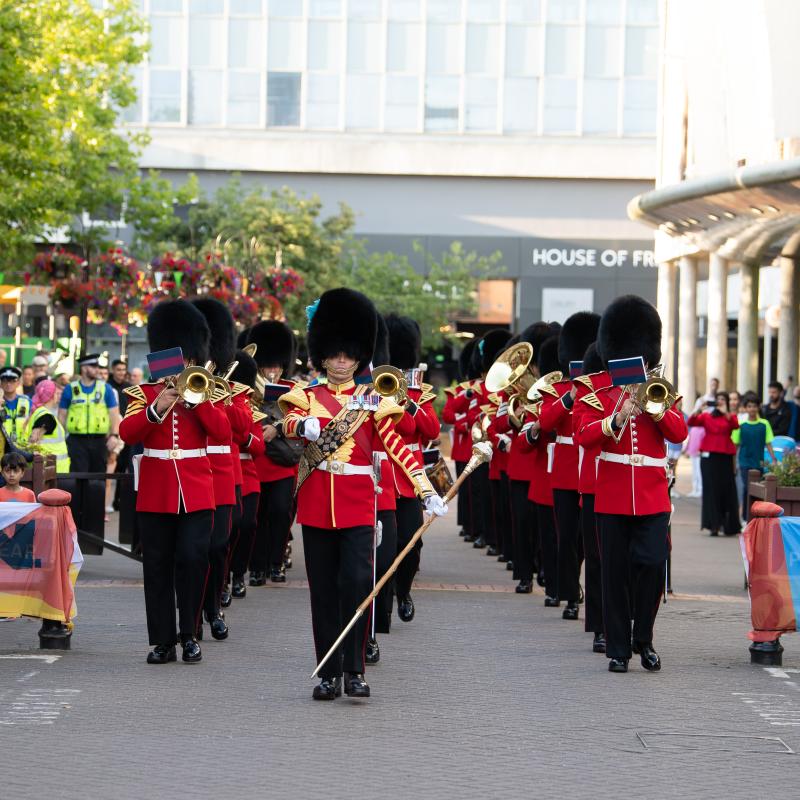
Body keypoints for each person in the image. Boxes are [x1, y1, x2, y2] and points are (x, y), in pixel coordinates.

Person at [280, 288, 447, 701]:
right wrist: (302, 428)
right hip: (318, 506)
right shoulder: (305, 397)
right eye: (335, 354)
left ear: (358, 356)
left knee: (358, 585)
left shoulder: (373, 401)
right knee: (323, 591)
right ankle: (327, 671)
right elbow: (287, 424)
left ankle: (354, 670)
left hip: (358, 505)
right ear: (322, 354)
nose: (341, 361)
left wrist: (425, 490)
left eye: (348, 354)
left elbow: (396, 446)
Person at [576, 295, 688, 674]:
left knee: (653, 564)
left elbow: (679, 431)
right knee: (615, 573)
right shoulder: (596, 391)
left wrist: (655, 408)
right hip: (611, 494)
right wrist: (618, 416)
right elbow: (584, 436)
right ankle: (620, 649)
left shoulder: (659, 388)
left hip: (653, 494)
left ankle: (645, 637)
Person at [119, 299, 229, 665]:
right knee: (158, 566)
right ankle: (163, 640)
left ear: (193, 360)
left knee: (194, 559)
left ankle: (190, 633)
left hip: (197, 492)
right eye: (174, 359)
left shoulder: (206, 394)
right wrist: (159, 405)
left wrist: (197, 403)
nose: (180, 368)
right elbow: (128, 430)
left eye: (186, 360)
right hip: (156, 492)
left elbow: (223, 433)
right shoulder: (144, 395)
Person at [538, 311, 600, 622]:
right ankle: (570, 594)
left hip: (591, 470)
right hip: (564, 472)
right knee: (565, 538)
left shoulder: (601, 390)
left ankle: (585, 593)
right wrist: (570, 396)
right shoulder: (559, 390)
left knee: (585, 540)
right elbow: (545, 421)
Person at [384, 314, 442, 623]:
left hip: (410, 477)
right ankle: (384, 597)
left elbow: (431, 430)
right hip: (382, 475)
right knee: (384, 542)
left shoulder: (419, 393)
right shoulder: (375, 391)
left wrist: (409, 404)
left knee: (411, 540)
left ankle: (403, 590)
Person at [245, 319, 299, 586]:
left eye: (277, 366)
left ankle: (275, 562)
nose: (273, 371)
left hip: (283, 462)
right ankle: (256, 567)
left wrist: (276, 427)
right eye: (268, 366)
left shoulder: (292, 389)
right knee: (257, 516)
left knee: (280, 512)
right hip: (256, 460)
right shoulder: (247, 388)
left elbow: (302, 418)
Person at [688, 392, 740, 536]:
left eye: (723, 400)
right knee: (711, 490)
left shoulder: (731, 416)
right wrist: (700, 408)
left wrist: (726, 413)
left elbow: (735, 426)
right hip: (709, 457)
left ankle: (727, 525)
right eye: (717, 400)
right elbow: (691, 422)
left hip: (725, 457)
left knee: (726, 490)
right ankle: (713, 525)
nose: (719, 402)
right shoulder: (706, 416)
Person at [58, 354, 121, 472]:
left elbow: (114, 414)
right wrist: (61, 439)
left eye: (97, 366)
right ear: (84, 368)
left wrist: (114, 435)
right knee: (77, 477)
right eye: (93, 366)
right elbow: (61, 415)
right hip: (76, 441)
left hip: (100, 440)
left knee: (98, 479)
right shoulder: (70, 389)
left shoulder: (105, 388)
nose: (97, 369)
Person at [733, 395, 776, 521]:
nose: (752, 409)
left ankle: (755, 517)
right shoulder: (740, 425)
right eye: (749, 406)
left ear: (758, 407)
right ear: (745, 408)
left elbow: (768, 443)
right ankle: (746, 518)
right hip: (744, 461)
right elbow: (735, 446)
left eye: (754, 406)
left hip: (759, 462)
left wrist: (773, 459)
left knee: (758, 491)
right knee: (748, 488)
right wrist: (733, 463)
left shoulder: (764, 424)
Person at [23, 379, 70, 473]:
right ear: (52, 395)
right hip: (53, 472)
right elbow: (34, 438)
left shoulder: (38, 412)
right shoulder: (46, 416)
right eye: (56, 393)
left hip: (46, 470)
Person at [0, 366, 31, 443]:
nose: (8, 384)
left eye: (12, 381)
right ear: (1, 383)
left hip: (24, 446)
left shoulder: (27, 401)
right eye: (5, 380)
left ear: (18, 383)